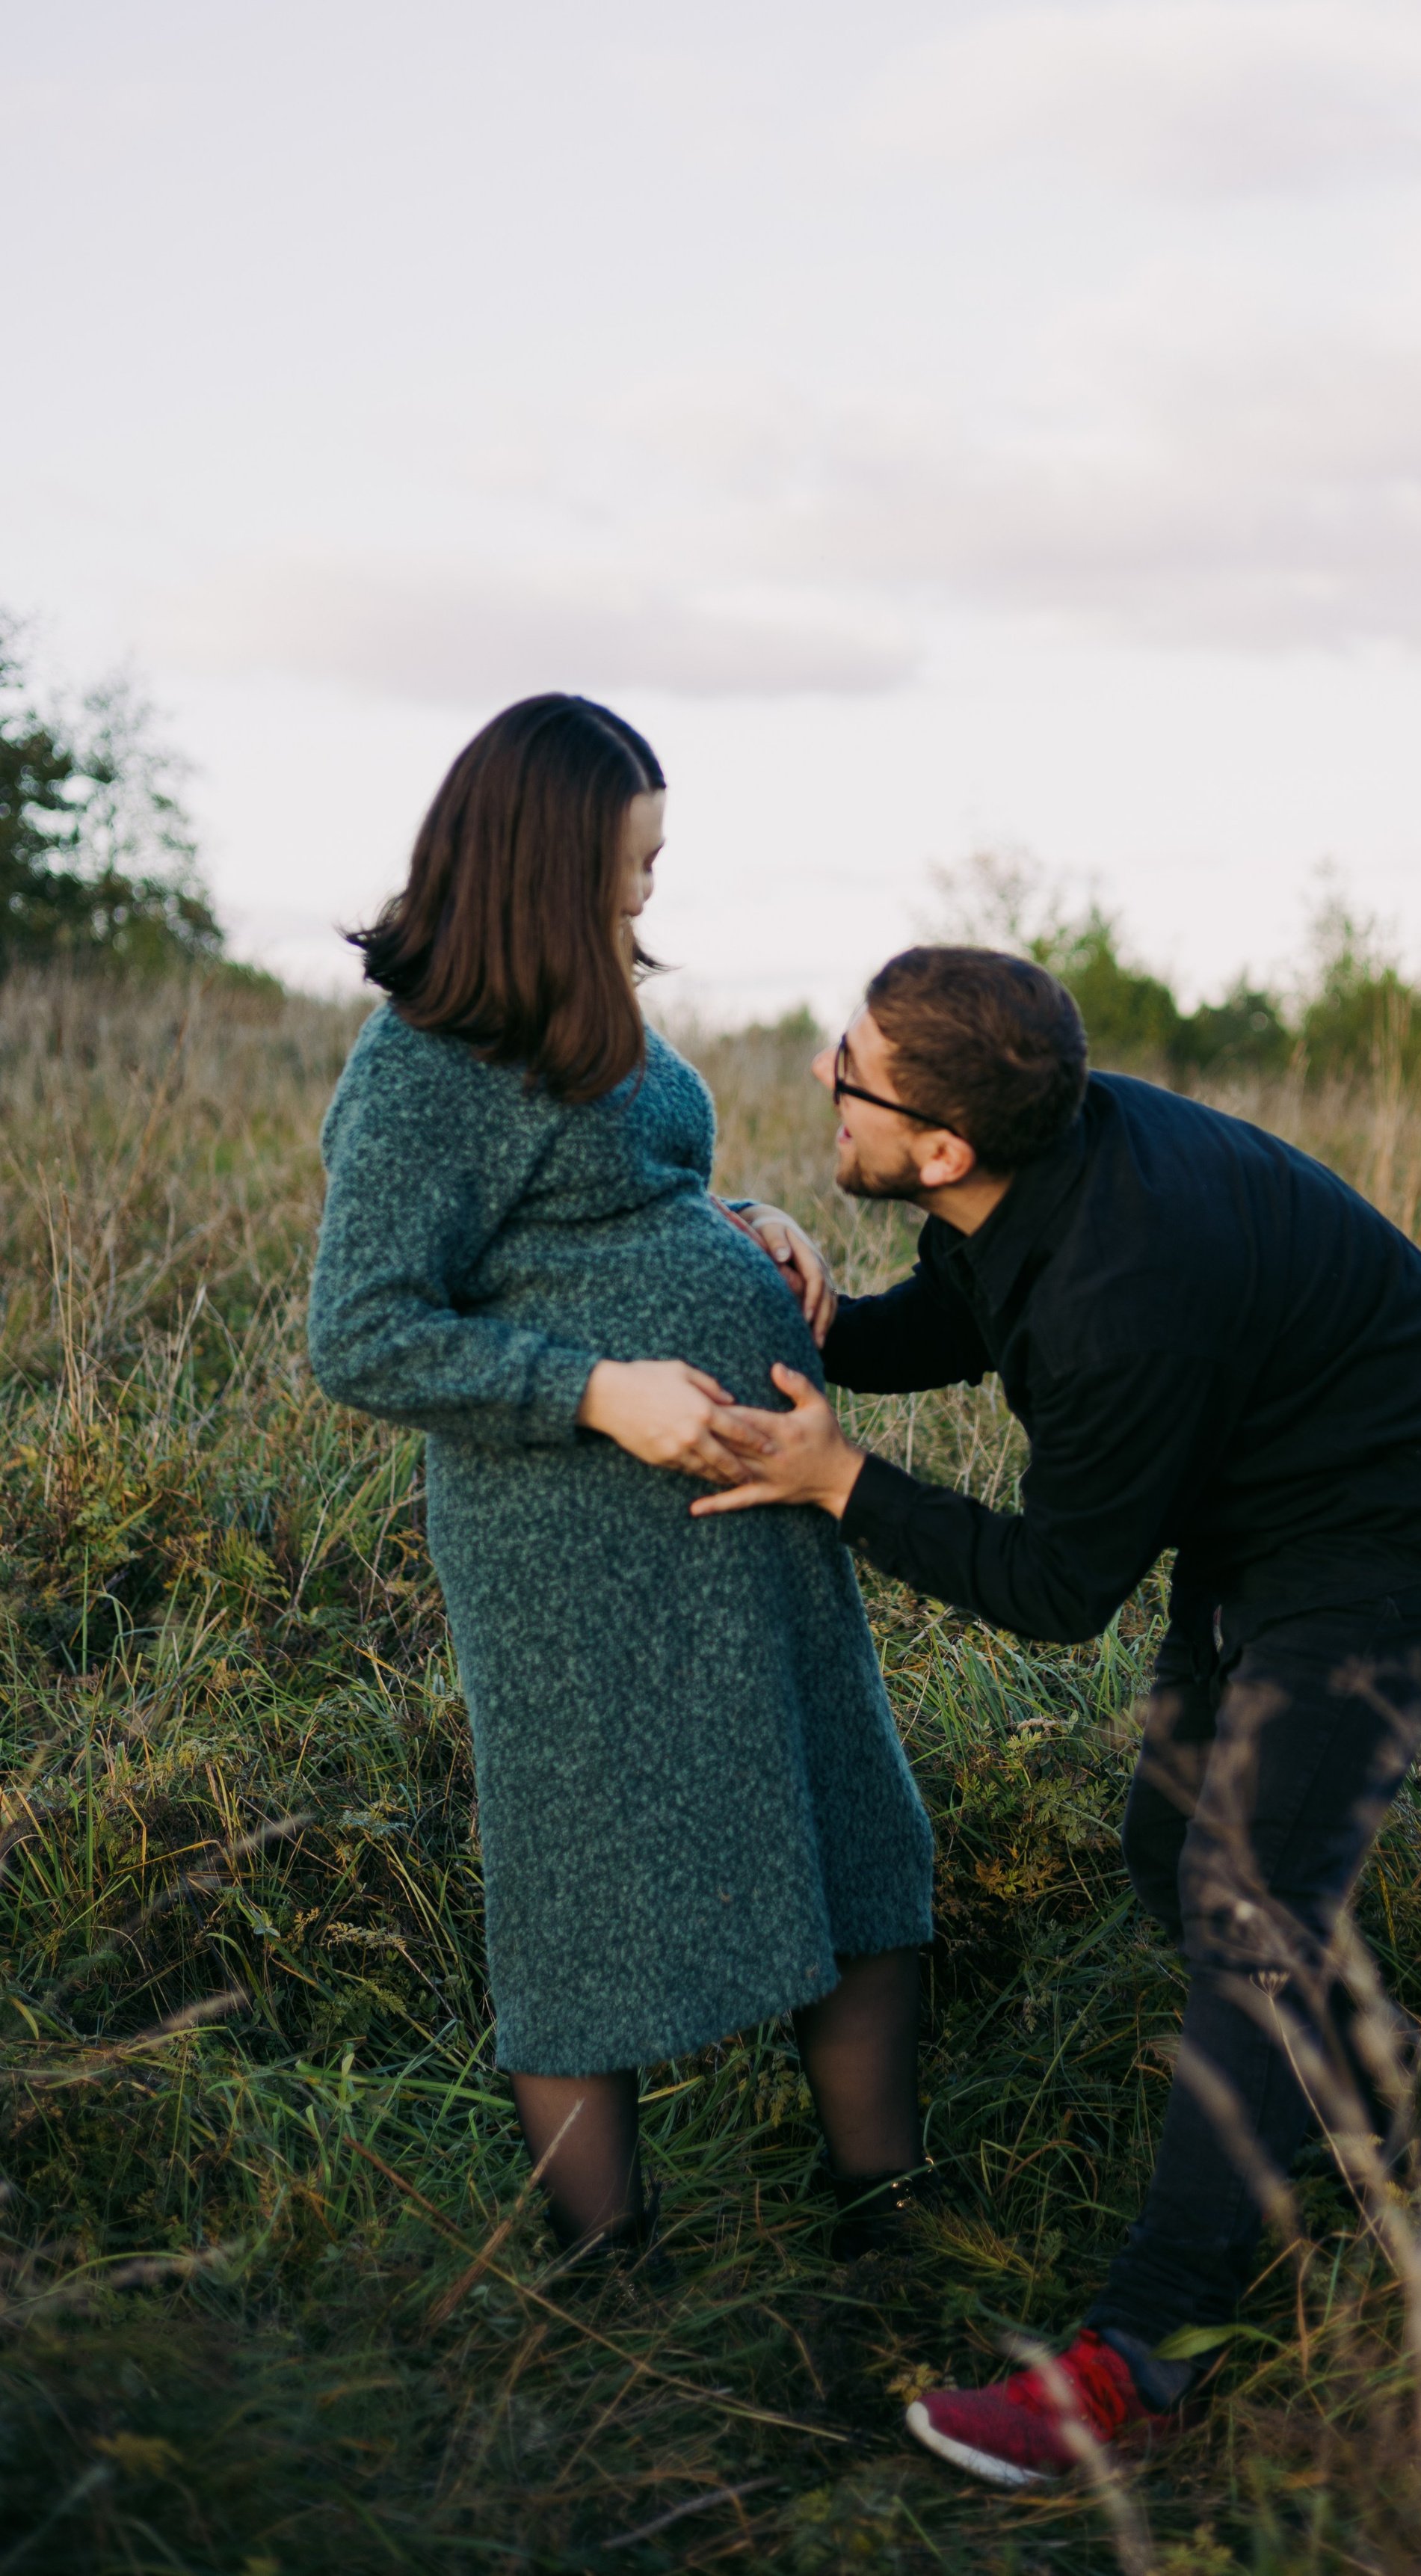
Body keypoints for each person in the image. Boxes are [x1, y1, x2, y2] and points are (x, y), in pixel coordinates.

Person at [691, 944, 1421, 2485]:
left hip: (1397, 1543)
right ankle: (1396, 2126)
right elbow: (969, 1308)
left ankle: (1142, 2360)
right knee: (1174, 1853)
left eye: (850, 1065)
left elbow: (1056, 1586)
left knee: (1246, 1908)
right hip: (1268, 1520)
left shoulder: (1122, 1295)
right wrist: (816, 1323)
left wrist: (841, 1483)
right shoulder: (1043, 1160)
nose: (824, 1071)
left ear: (942, 1147)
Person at [306, 697, 934, 2268]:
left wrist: (746, 1221)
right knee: (587, 1902)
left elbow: (608, 1203)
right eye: (631, 857)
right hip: (571, 1546)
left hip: (741, 1516)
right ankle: (611, 2280)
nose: (650, 883)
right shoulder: (423, 1063)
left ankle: (887, 2227)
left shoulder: (591, 1010)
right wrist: (599, 1391)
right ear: (544, 858)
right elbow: (362, 1330)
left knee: (852, 1835)